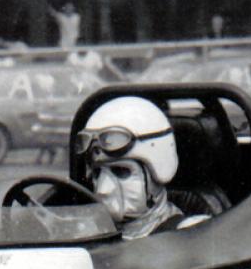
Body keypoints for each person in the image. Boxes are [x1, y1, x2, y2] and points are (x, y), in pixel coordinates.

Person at [76, 96, 200, 239]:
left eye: (121, 171)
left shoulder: (190, 235)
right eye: (97, 173)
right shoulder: (88, 231)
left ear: (157, 171)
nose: (103, 190)